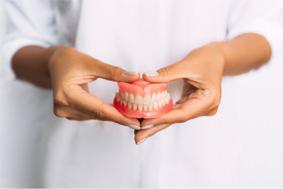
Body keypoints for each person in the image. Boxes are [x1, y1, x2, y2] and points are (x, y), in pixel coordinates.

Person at [1, 0, 283, 187]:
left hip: (203, 165)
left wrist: (221, 56)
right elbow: (22, 41)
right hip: (80, 168)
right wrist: (53, 63)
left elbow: (260, 31)